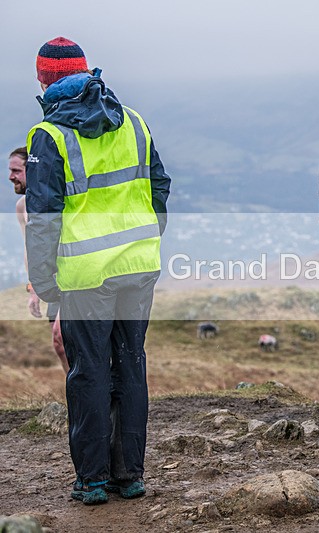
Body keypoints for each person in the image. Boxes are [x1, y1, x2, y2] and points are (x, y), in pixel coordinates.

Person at [25, 37, 170, 504]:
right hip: (140, 267)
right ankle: (130, 475)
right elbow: (159, 184)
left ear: (44, 79)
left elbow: (43, 217)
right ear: (87, 73)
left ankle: (91, 481)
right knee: (131, 365)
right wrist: (147, 235)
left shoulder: (48, 136)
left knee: (88, 373)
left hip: (85, 276)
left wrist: (45, 282)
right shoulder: (134, 121)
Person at [8, 146, 69, 374]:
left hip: (72, 277)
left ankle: (91, 401)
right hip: (50, 282)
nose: (11, 176)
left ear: (32, 170)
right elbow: (29, 249)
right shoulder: (21, 206)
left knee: (62, 338)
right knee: (60, 346)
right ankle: (77, 399)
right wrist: (34, 288)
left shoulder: (52, 200)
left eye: (16, 170)